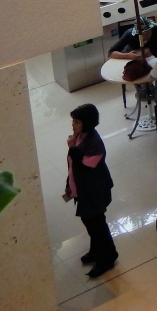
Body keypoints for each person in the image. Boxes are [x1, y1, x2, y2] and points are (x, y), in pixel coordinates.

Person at [64, 104, 117, 277]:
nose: (73, 125)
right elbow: (72, 166)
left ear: (87, 123)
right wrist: (69, 184)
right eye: (73, 121)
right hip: (83, 190)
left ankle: (108, 257)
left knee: (97, 225)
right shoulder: (79, 137)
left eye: (77, 122)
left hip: (95, 192)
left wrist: (72, 148)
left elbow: (85, 166)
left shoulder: (95, 144)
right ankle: (96, 251)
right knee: (91, 224)